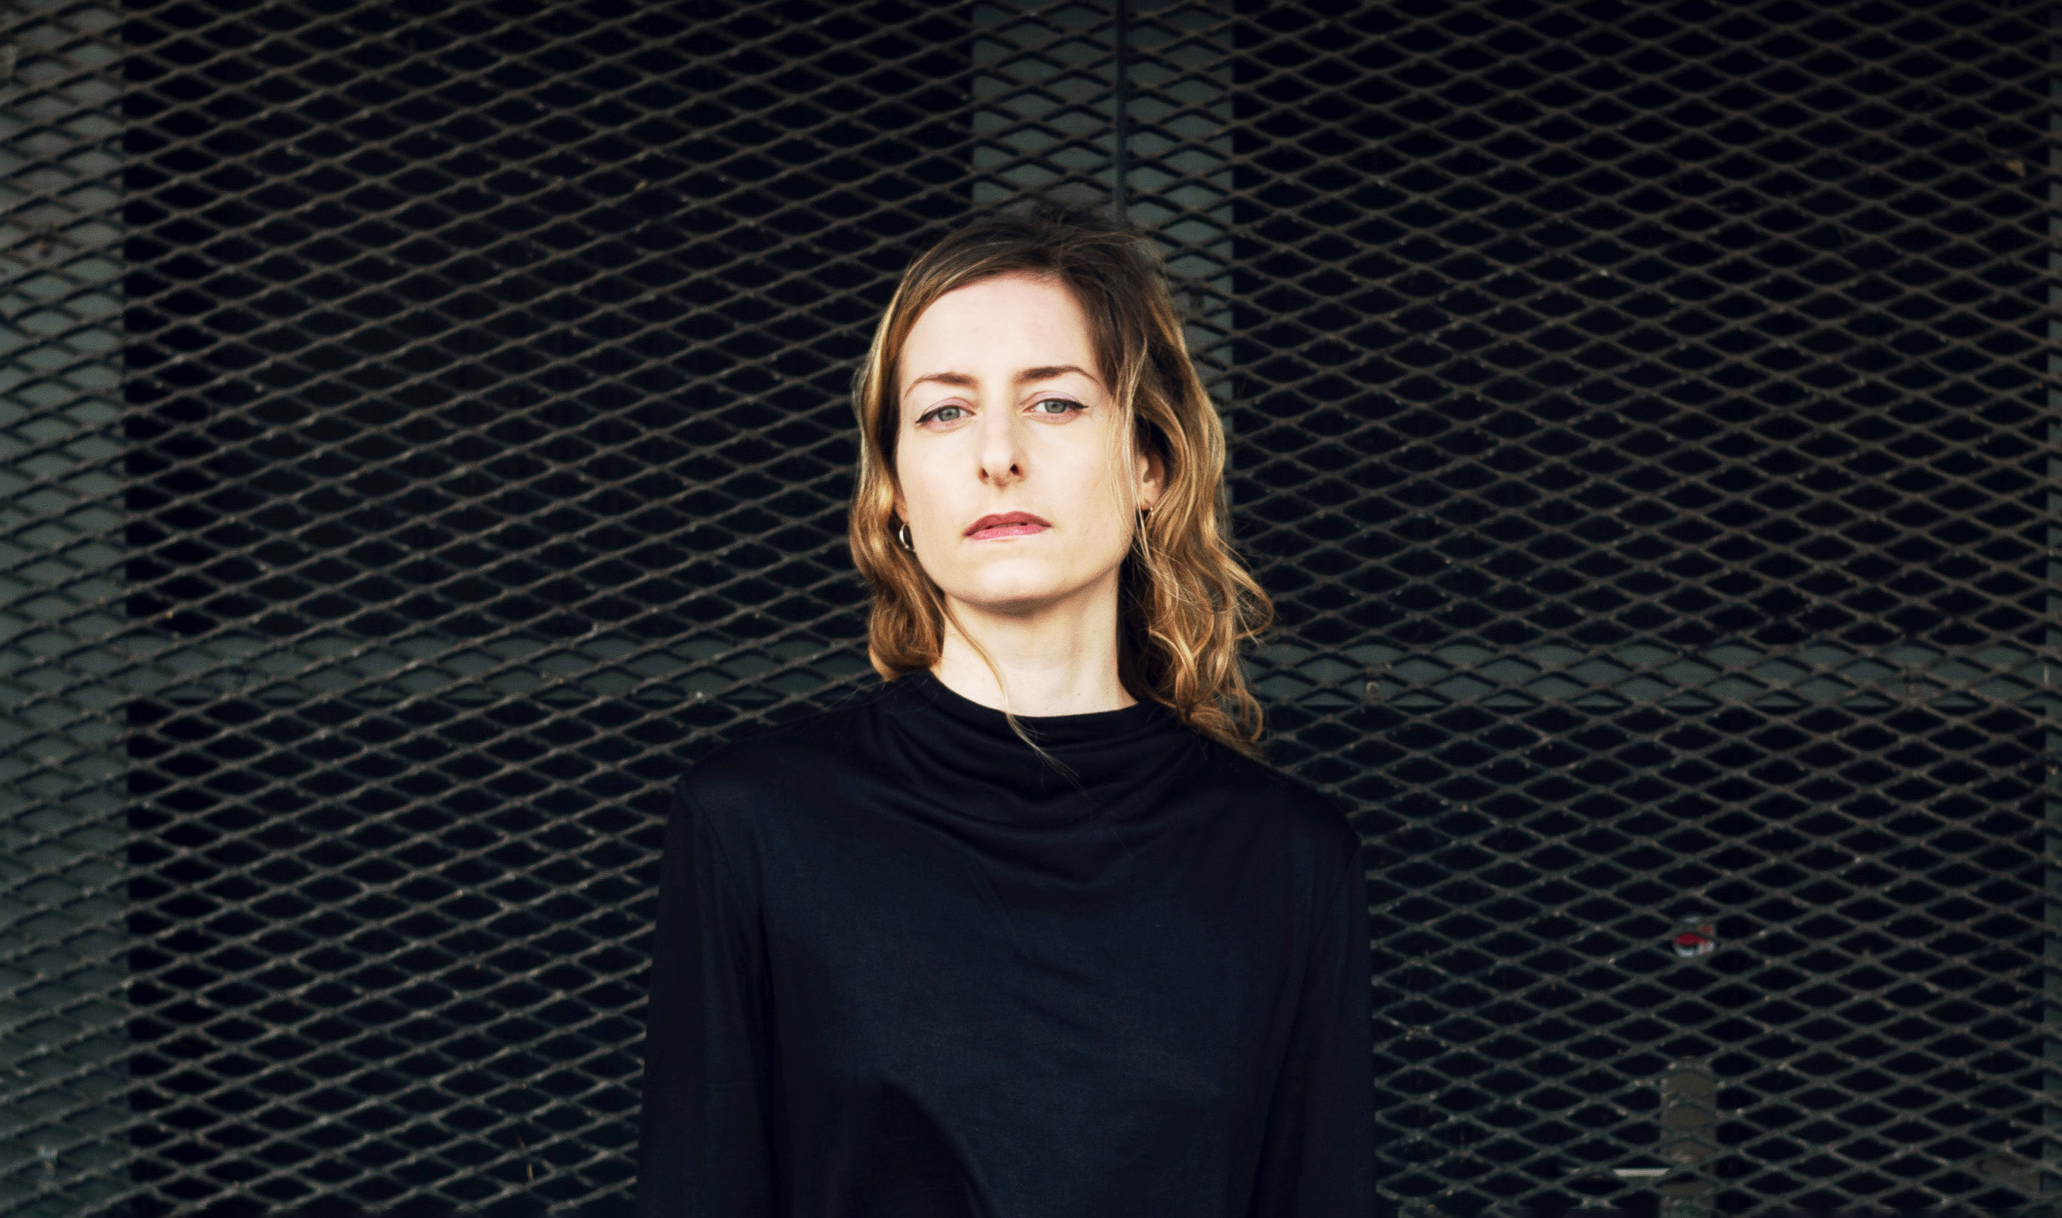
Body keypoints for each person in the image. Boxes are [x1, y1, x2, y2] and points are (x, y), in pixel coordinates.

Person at [633, 201, 1374, 1216]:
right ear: (895, 490)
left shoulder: (1287, 859)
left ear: (1149, 464)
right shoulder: (754, 827)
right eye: (944, 412)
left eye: (1054, 403)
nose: (998, 455)